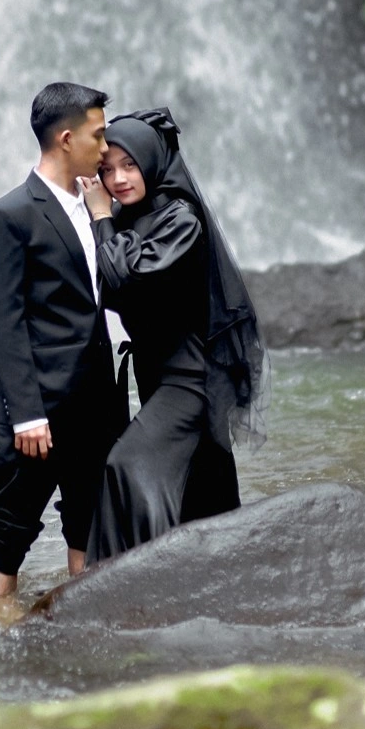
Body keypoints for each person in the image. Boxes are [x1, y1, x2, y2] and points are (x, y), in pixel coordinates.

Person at [80, 107, 269, 562]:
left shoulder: (180, 219)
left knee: (128, 465)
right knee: (202, 489)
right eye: (107, 170)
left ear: (151, 161)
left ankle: (130, 578)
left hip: (189, 377)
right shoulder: (131, 217)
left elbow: (123, 275)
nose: (119, 179)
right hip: (156, 372)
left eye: (129, 165)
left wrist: (100, 216)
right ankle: (211, 574)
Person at [0, 81, 119, 599]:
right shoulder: (7, 215)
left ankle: (82, 628)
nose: (106, 148)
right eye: (98, 136)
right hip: (36, 413)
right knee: (9, 532)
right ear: (66, 139)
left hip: (96, 406)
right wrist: (27, 415)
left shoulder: (99, 206)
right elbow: (5, 321)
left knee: (89, 526)